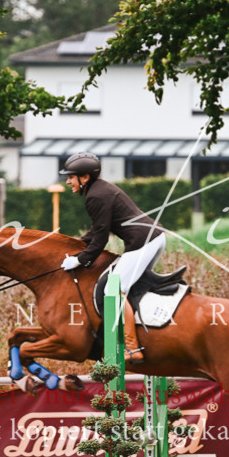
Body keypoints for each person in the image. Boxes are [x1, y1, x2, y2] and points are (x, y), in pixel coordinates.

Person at [58, 151, 166, 363]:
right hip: (153, 237)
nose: (68, 181)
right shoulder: (100, 189)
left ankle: (132, 349)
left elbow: (100, 240)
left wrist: (79, 260)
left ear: (85, 177)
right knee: (132, 287)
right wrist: (77, 245)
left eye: (71, 176)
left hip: (142, 242)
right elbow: (98, 230)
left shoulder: (95, 196)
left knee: (113, 290)